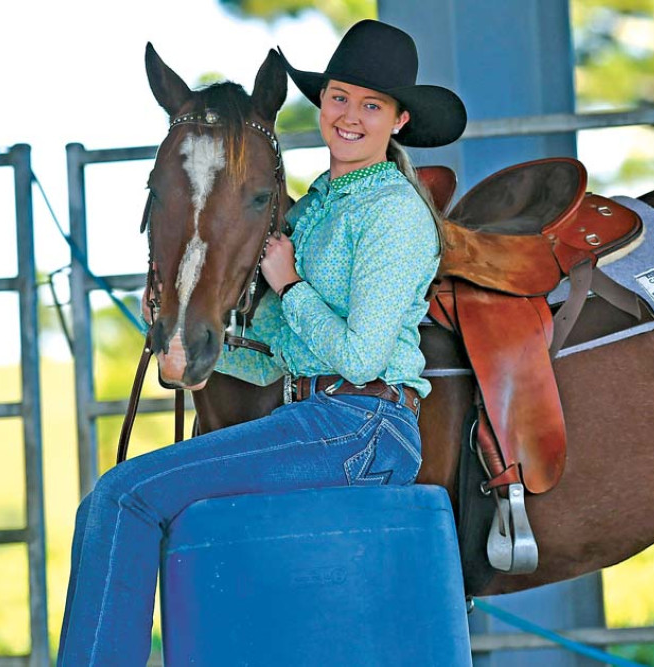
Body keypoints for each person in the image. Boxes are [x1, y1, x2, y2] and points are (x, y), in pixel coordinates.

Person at [57, 19, 466, 666]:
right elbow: (282, 348)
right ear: (321, 101)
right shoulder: (317, 208)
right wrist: (186, 343)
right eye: (339, 98)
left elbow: (357, 358)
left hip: (363, 422)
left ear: (399, 119)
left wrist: (291, 282)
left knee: (124, 494)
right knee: (112, 497)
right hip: (316, 418)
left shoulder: (393, 212)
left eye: (371, 105)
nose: (350, 116)